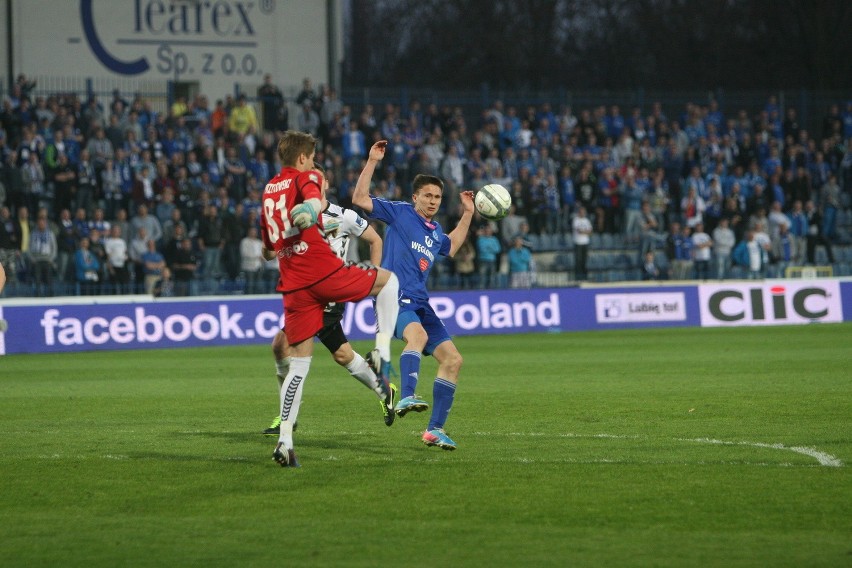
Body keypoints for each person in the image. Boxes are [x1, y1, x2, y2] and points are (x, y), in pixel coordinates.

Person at [259, 131, 399, 468]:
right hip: (323, 275)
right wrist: (309, 208)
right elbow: (313, 198)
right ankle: (382, 361)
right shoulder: (309, 178)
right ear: (305, 158)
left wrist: (297, 225)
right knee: (388, 284)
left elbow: (266, 248)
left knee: (296, 361)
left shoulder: (270, 191)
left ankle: (285, 441)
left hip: (295, 285)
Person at [352, 139, 476, 451]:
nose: (433, 201)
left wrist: (468, 213)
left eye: (437, 196)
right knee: (416, 337)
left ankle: (434, 429)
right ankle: (407, 394)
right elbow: (359, 198)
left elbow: (452, 246)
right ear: (415, 197)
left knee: (453, 360)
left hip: (421, 302)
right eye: (428, 195)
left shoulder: (435, 233)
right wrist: (372, 161)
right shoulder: (400, 213)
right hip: (393, 297)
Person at [572, 205, 592, 281]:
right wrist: (585, 231)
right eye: (582, 212)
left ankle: (584, 276)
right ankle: (578, 276)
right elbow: (579, 231)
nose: (583, 213)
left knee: (585, 260)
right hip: (578, 243)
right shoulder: (576, 220)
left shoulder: (587, 220)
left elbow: (590, 231)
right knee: (578, 260)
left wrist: (584, 232)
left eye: (584, 212)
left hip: (585, 243)